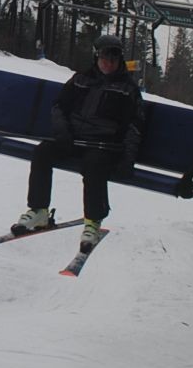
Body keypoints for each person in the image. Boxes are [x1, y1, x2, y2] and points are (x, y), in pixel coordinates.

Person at [12, 32, 144, 253]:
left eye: (114, 58)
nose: (108, 63)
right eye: (104, 57)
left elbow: (135, 125)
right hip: (72, 141)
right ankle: (39, 210)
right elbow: (59, 107)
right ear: (96, 57)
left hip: (103, 146)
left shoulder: (127, 88)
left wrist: (127, 157)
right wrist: (63, 133)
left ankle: (93, 221)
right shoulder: (81, 79)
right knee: (43, 152)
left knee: (94, 166)